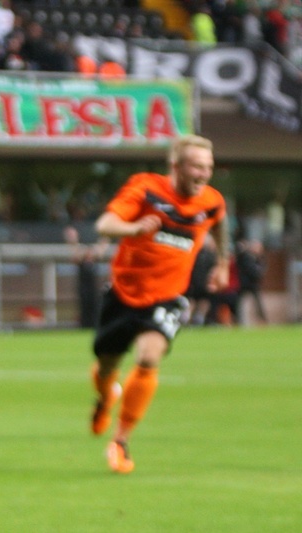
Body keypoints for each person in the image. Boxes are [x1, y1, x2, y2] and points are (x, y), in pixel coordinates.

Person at [90, 134, 229, 474]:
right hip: (124, 292)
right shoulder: (146, 188)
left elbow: (220, 222)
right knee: (106, 362)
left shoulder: (211, 201)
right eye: (196, 166)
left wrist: (224, 261)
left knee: (149, 356)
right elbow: (105, 224)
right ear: (175, 166)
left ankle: (120, 441)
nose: (203, 174)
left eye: (208, 167)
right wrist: (134, 227)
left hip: (170, 296)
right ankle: (108, 394)